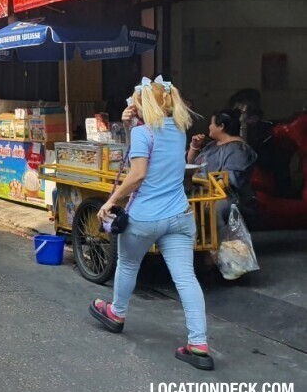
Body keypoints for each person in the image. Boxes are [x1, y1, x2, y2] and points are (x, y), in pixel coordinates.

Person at [89, 77, 214, 371]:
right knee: (186, 279)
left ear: (143, 104)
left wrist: (111, 201)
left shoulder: (145, 134)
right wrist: (132, 124)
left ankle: (116, 314)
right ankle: (198, 344)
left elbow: (137, 174)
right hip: (179, 216)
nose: (131, 105)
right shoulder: (179, 130)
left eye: (135, 101)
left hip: (146, 216)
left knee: (128, 265)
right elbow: (154, 150)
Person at [188, 108, 258, 225]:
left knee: (213, 209)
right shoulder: (211, 145)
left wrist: (211, 195)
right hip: (200, 192)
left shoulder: (238, 150)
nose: (209, 127)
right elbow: (192, 164)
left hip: (228, 196)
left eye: (211, 123)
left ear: (221, 126)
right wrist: (194, 146)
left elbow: (229, 179)